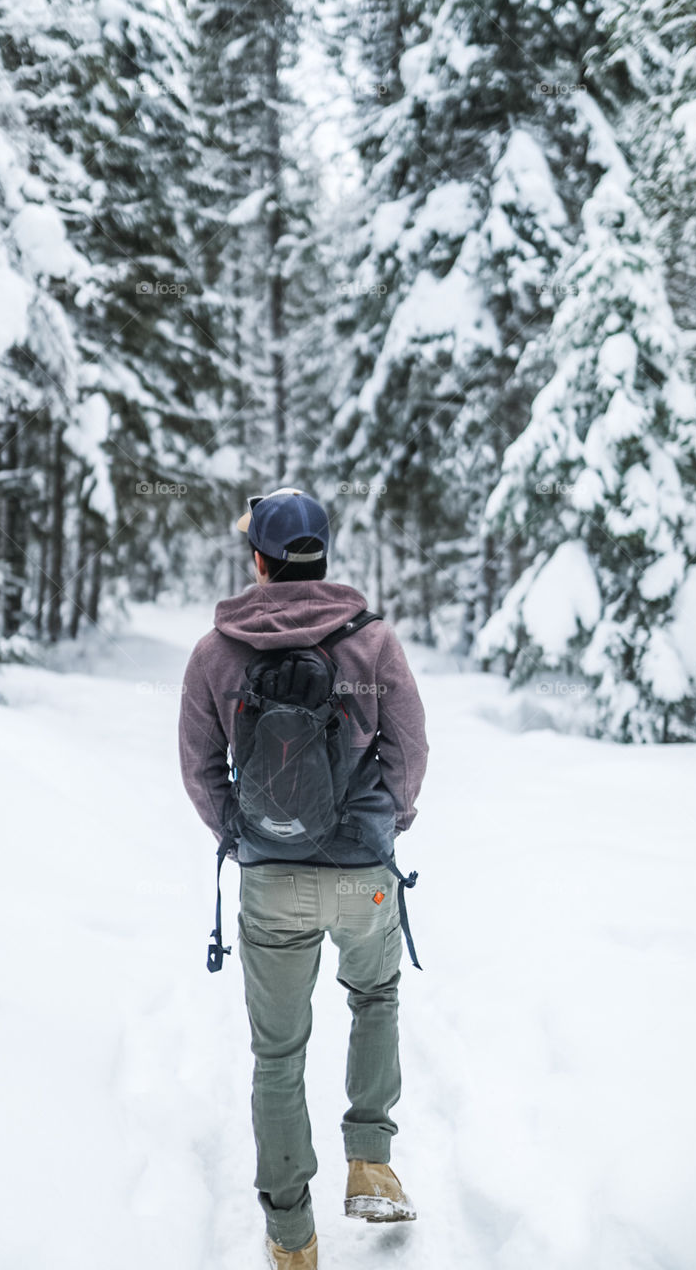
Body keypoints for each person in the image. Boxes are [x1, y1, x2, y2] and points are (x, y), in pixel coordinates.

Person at [178, 487, 429, 1269]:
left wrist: (240, 832)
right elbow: (409, 751)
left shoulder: (216, 653)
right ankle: (371, 1162)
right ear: (323, 553)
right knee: (376, 995)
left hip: (270, 881)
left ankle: (292, 1237)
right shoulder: (373, 642)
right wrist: (391, 819)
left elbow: (197, 769)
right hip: (364, 875)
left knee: (277, 1055)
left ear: (259, 559)